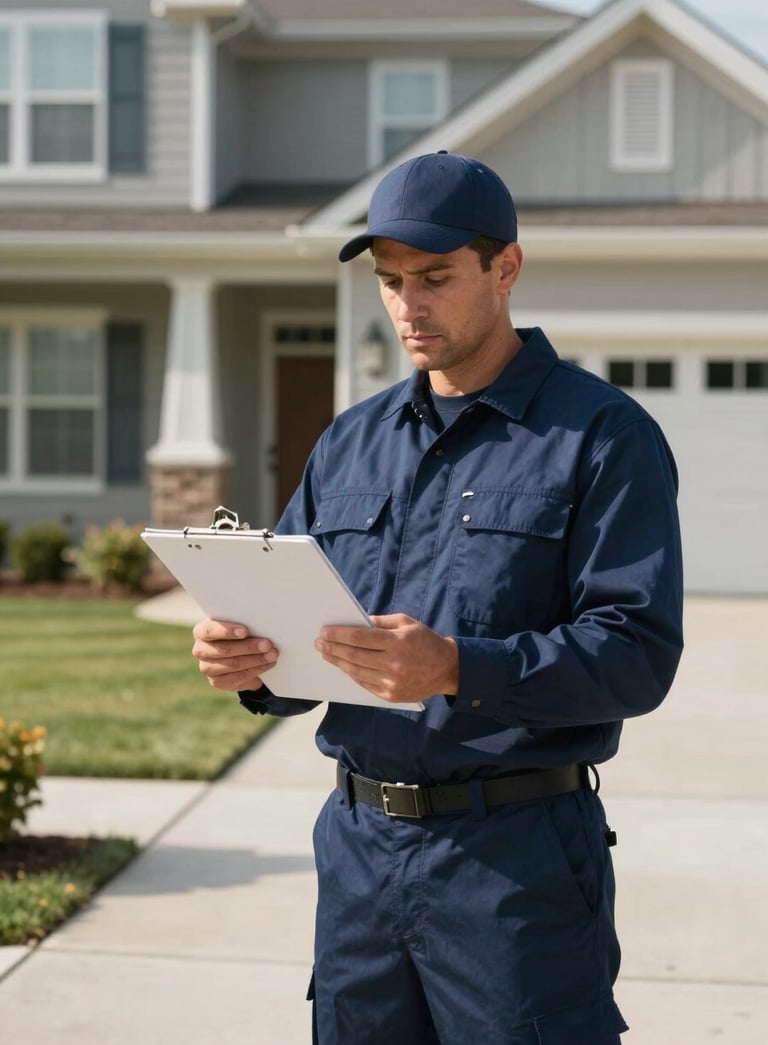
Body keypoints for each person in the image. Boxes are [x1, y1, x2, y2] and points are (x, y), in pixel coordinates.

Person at [192, 151, 683, 1045]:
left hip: (515, 863)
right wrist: (252, 660)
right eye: (390, 281)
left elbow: (636, 653)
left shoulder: (603, 438)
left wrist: (458, 666)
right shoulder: (351, 442)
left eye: (435, 277)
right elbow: (309, 641)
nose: (408, 306)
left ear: (506, 269)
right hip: (358, 856)